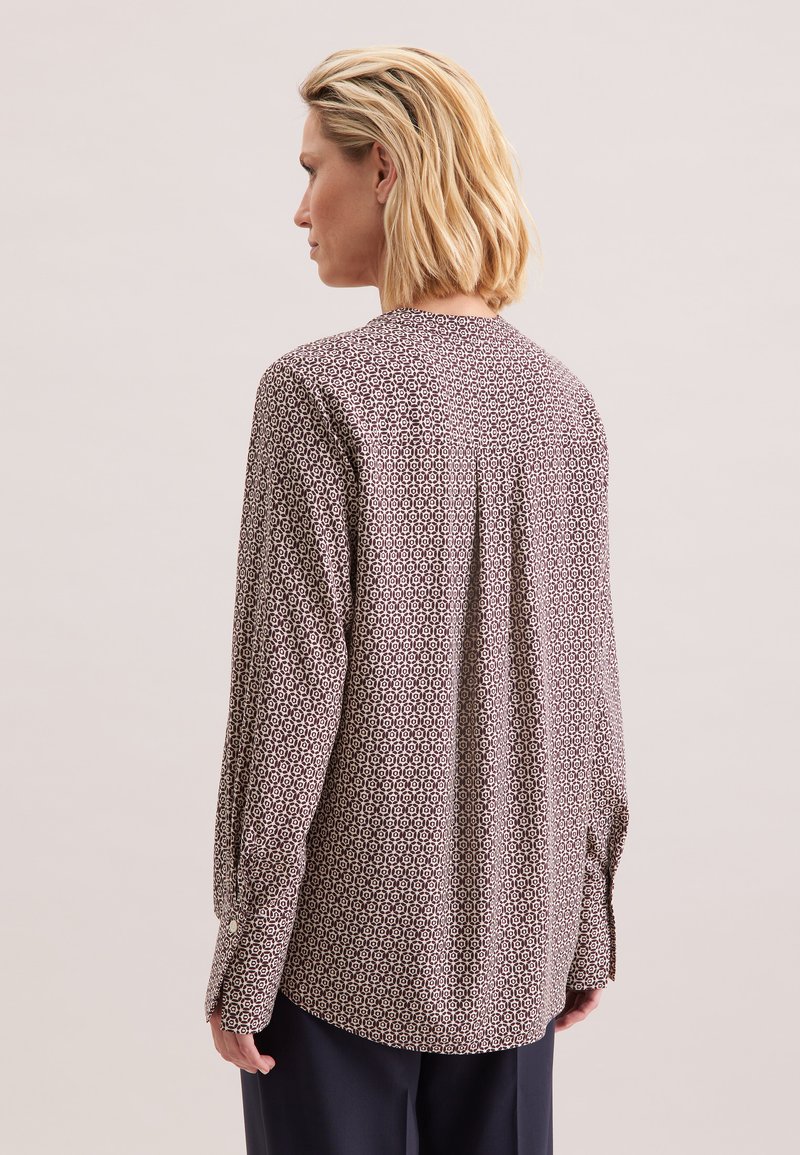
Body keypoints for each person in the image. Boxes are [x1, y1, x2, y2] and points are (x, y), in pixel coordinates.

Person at [204, 45, 630, 1155]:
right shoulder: (563, 403)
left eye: (315, 170)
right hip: (520, 949)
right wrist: (586, 919)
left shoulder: (316, 392)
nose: (301, 209)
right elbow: (589, 690)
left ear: (385, 169)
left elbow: (288, 702)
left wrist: (247, 951)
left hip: (336, 959)